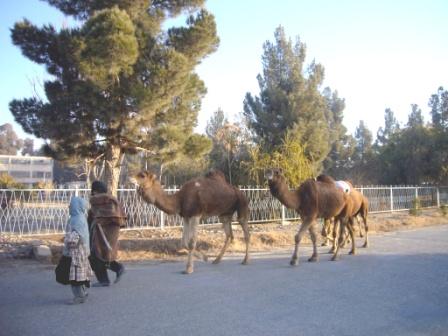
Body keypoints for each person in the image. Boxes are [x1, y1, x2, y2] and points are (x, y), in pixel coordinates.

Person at [88, 180, 126, 287]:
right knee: (103, 255)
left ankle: (110, 274)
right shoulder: (111, 200)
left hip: (101, 232)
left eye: (94, 191)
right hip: (110, 232)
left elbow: (95, 216)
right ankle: (116, 270)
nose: (93, 194)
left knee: (96, 256)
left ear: (96, 191)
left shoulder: (99, 200)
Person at [64, 196, 93, 304]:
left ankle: (79, 296)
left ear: (76, 206)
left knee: (75, 276)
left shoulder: (76, 219)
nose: (69, 206)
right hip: (82, 251)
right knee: (79, 274)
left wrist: (67, 240)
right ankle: (82, 293)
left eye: (71, 205)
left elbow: (75, 236)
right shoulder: (80, 217)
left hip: (76, 252)